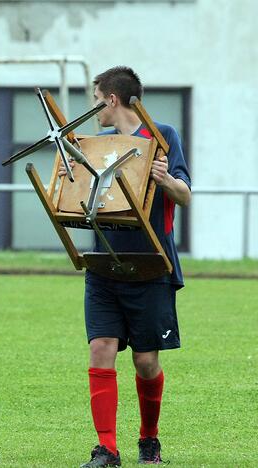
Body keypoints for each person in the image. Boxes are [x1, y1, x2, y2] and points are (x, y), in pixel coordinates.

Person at [60, 66, 191, 467]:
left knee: (146, 361)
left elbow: (184, 195)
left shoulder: (163, 135)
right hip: (103, 264)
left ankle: (148, 441)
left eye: (95, 98)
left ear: (111, 99)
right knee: (101, 349)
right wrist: (70, 180)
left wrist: (165, 179)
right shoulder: (95, 146)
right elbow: (80, 204)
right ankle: (106, 449)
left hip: (151, 265)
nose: (93, 107)